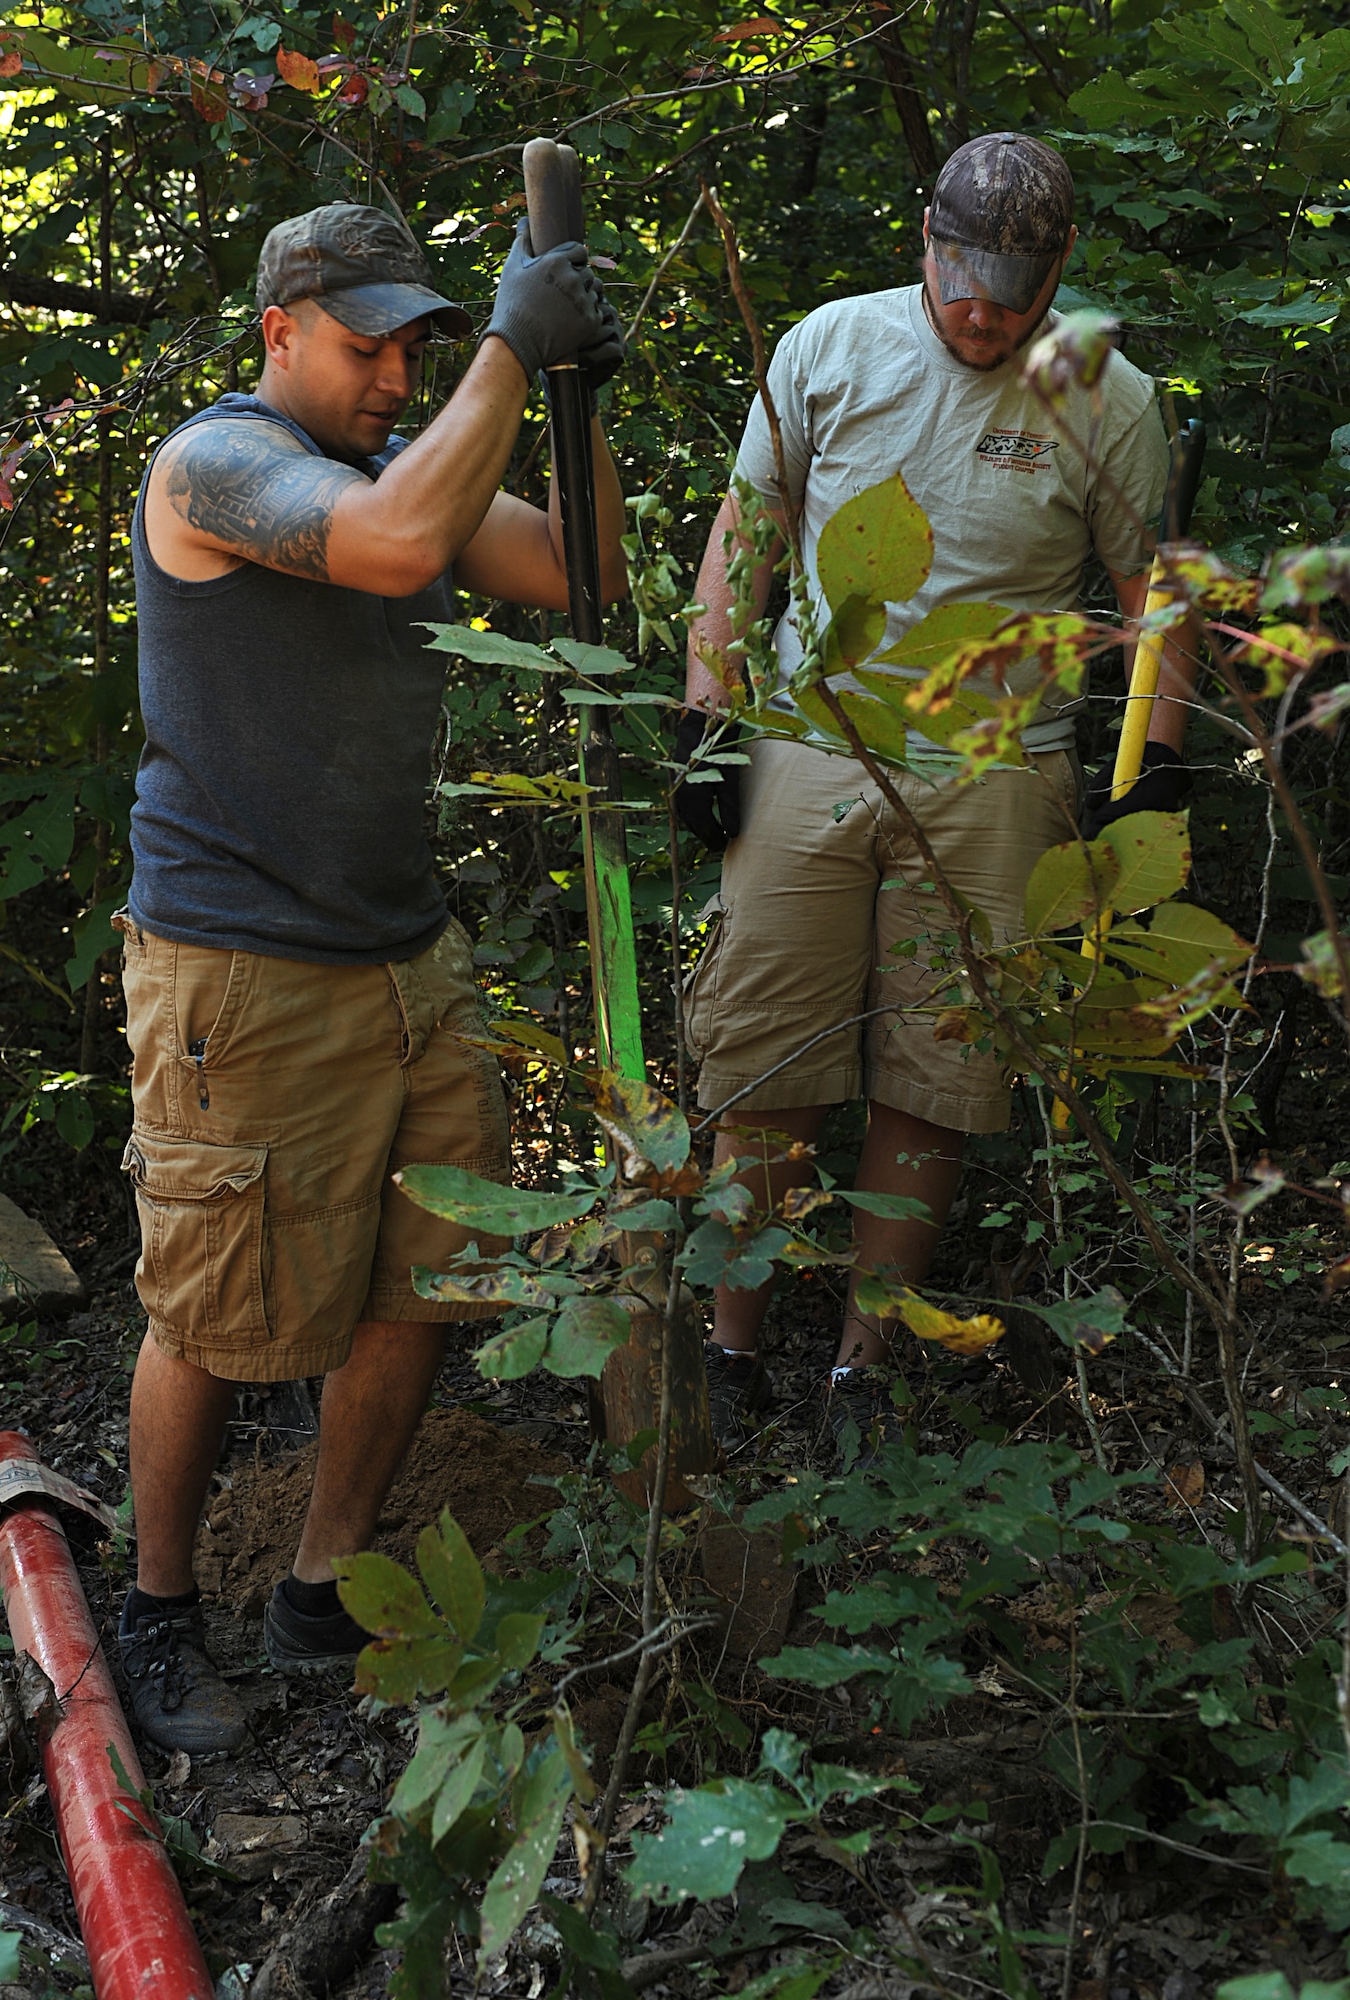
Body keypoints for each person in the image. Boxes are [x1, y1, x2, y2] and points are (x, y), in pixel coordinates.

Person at [114, 200, 626, 1752]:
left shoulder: (394, 463)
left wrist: (576, 400)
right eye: (366, 347)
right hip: (239, 966)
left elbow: (579, 576)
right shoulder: (217, 468)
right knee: (210, 1306)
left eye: (415, 346)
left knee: (423, 1283)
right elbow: (397, 544)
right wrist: (508, 353)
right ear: (278, 330)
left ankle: (319, 1587)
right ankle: (152, 1611)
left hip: (405, 955)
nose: (397, 378)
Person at [676, 134, 1194, 1454]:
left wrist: (1153, 767)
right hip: (813, 735)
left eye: (1013, 284)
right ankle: (731, 1356)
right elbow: (746, 530)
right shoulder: (831, 346)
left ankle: (861, 1370)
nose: (983, 306)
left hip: (995, 775)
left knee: (935, 1079)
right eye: (962, 272)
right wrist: (707, 724)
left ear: (1058, 269)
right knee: (765, 1063)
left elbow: (1151, 597)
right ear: (924, 239)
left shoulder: (1110, 400)